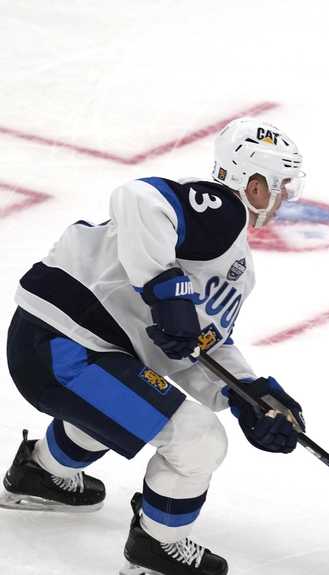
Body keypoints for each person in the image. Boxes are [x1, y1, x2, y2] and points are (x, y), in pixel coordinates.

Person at [1, 117, 308, 574]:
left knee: (124, 404)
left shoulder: (236, 260)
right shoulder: (221, 210)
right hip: (64, 347)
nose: (285, 199)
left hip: (66, 349)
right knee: (198, 441)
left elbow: (197, 345)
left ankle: (43, 473)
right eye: (283, 186)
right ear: (255, 184)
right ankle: (156, 546)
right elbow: (139, 198)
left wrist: (250, 394)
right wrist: (165, 288)